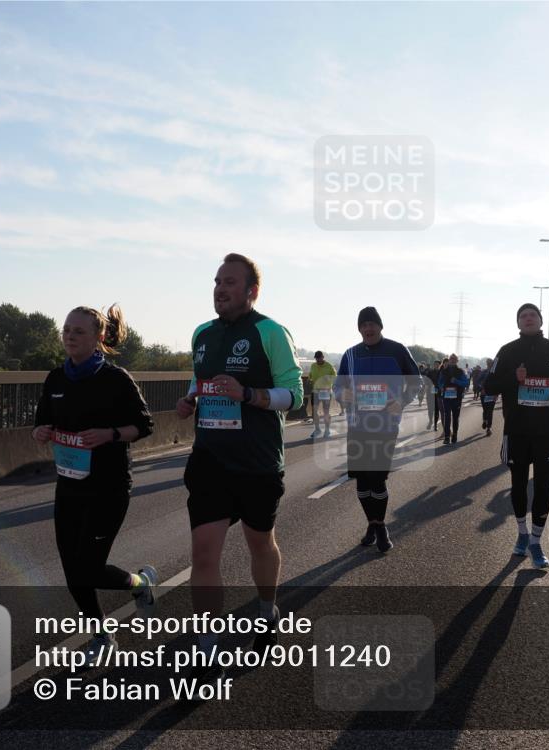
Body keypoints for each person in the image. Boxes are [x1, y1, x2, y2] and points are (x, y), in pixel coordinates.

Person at [176, 253, 303, 681]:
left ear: (251, 291)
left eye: (229, 282)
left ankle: (267, 610)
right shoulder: (202, 333)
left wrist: (249, 395)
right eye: (216, 281)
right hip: (210, 461)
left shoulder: (269, 332)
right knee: (203, 553)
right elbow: (200, 377)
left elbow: (294, 394)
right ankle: (207, 647)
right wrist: (190, 397)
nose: (219, 288)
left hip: (257, 463)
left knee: (259, 543)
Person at [32, 304, 157, 661]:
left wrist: (110, 434)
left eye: (79, 331)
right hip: (69, 486)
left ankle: (140, 583)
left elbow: (145, 425)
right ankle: (101, 635)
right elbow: (43, 423)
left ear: (99, 337)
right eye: (67, 329)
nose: (70, 336)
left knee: (88, 566)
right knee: (72, 570)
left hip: (109, 487)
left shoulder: (116, 379)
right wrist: (41, 432)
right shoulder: (56, 378)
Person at [482, 303, 549, 570]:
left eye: (533, 315)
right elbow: (489, 386)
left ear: (540, 320)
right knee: (518, 485)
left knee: (543, 488)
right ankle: (521, 534)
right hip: (518, 431)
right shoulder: (507, 351)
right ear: (518, 323)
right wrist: (514, 377)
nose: (528, 318)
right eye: (523, 315)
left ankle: (536, 540)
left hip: (547, 431)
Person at [334, 307, 420, 553]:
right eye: (364, 325)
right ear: (359, 329)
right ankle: (372, 524)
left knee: (377, 479)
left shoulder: (397, 350)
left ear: (380, 326)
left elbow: (415, 380)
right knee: (362, 481)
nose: (368, 329)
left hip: (385, 426)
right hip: (357, 425)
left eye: (372, 324)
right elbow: (338, 387)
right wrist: (343, 394)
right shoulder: (350, 355)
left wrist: (401, 401)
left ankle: (381, 527)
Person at [437, 354, 469, 445]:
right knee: (447, 416)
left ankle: (454, 435)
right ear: (449, 360)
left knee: (455, 417)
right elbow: (440, 382)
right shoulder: (444, 371)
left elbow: (466, 383)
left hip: (457, 397)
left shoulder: (460, 371)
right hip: (446, 397)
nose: (452, 360)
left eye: (454, 359)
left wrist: (456, 381)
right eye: (451, 358)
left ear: (457, 361)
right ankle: (447, 437)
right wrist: (442, 387)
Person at [308, 351, 336, 439]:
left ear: (323, 357)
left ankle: (327, 430)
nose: (318, 360)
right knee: (314, 411)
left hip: (326, 391)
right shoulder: (313, 365)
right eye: (316, 358)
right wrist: (309, 379)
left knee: (326, 411)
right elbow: (310, 375)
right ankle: (317, 429)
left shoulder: (329, 366)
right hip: (316, 391)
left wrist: (329, 380)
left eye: (319, 358)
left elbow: (335, 377)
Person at [479, 358, 497, 436]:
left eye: (490, 363)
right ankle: (485, 420)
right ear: (487, 364)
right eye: (488, 363)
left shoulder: (496, 373)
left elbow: (498, 384)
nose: (489, 364)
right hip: (484, 394)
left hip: (492, 394)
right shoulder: (483, 372)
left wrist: (496, 394)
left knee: (490, 411)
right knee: (485, 410)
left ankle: (489, 428)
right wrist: (481, 389)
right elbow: (477, 381)